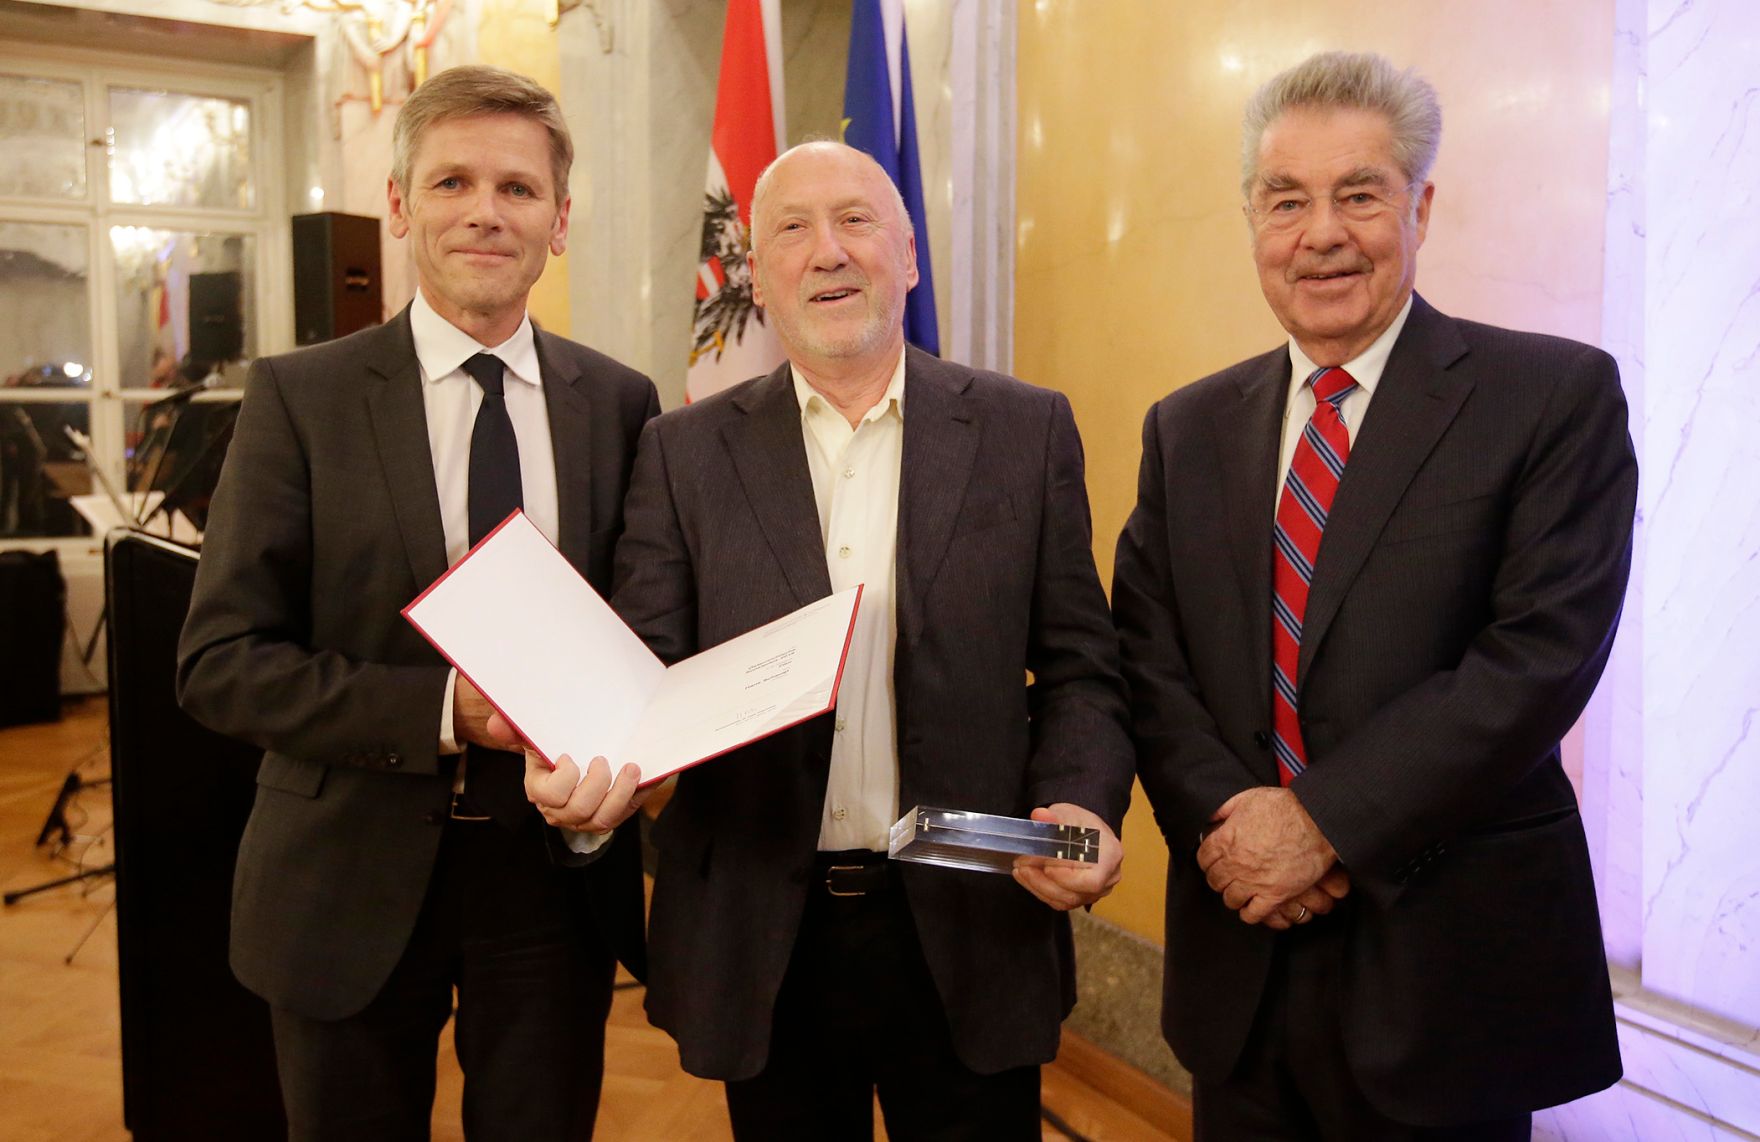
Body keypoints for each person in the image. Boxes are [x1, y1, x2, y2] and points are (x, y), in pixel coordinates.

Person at [526, 140, 1135, 1139]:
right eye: (791, 231)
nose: (827, 252)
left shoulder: (1025, 432)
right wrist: (599, 766)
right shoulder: (680, 453)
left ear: (908, 255)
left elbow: (1081, 667)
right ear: (756, 279)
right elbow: (643, 675)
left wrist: (1078, 797)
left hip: (973, 923)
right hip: (766, 939)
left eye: (855, 221)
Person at [1112, 51, 1636, 1141]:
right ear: (1250, 217)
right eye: (1285, 199)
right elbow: (1146, 654)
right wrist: (1235, 826)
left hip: (1445, 970)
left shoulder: (1549, 396)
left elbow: (1536, 656)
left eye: (1358, 193)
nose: (1321, 233)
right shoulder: (1187, 425)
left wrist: (1321, 824)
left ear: (1420, 206)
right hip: (1240, 954)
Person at [176, 65, 655, 1141]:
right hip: (342, 874)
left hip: (550, 884)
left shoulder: (620, 405)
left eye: (518, 189)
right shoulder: (300, 397)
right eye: (450, 182)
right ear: (399, 206)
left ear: (560, 220)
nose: (485, 212)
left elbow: (642, 631)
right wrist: (445, 711)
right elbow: (218, 659)